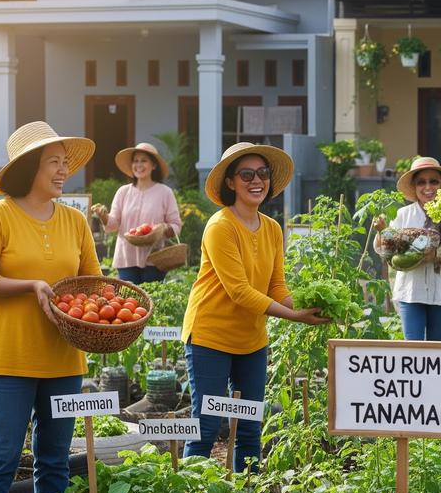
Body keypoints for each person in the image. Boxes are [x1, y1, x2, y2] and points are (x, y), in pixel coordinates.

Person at [0, 121, 100, 493]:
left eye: (64, 163)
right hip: (7, 358)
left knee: (55, 460)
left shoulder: (74, 221)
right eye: (52, 163)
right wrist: (30, 286)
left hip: (62, 359)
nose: (62, 171)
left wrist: (104, 307)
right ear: (28, 169)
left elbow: (93, 281)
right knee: (0, 461)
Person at [181, 143, 327, 470]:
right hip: (210, 336)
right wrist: (293, 316)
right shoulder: (221, 226)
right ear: (230, 182)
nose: (256, 180)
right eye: (246, 174)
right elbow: (239, 291)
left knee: (249, 425)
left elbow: (277, 287)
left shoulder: (273, 228)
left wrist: (308, 306)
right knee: (206, 423)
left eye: (262, 173)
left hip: (251, 340)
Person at [372, 157, 441, 341]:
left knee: (436, 349)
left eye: (434, 181)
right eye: (421, 182)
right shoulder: (403, 215)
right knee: (413, 349)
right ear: (415, 187)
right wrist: (382, 231)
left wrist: (439, 256)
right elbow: (383, 250)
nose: (428, 187)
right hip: (410, 292)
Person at [90, 142, 182, 284]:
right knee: (128, 303)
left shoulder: (165, 192)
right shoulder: (123, 192)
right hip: (126, 258)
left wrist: (163, 228)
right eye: (135, 161)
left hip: (155, 259)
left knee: (152, 300)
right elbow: (113, 225)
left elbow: (176, 225)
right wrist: (104, 216)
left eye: (144, 160)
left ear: (154, 165)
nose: (139, 165)